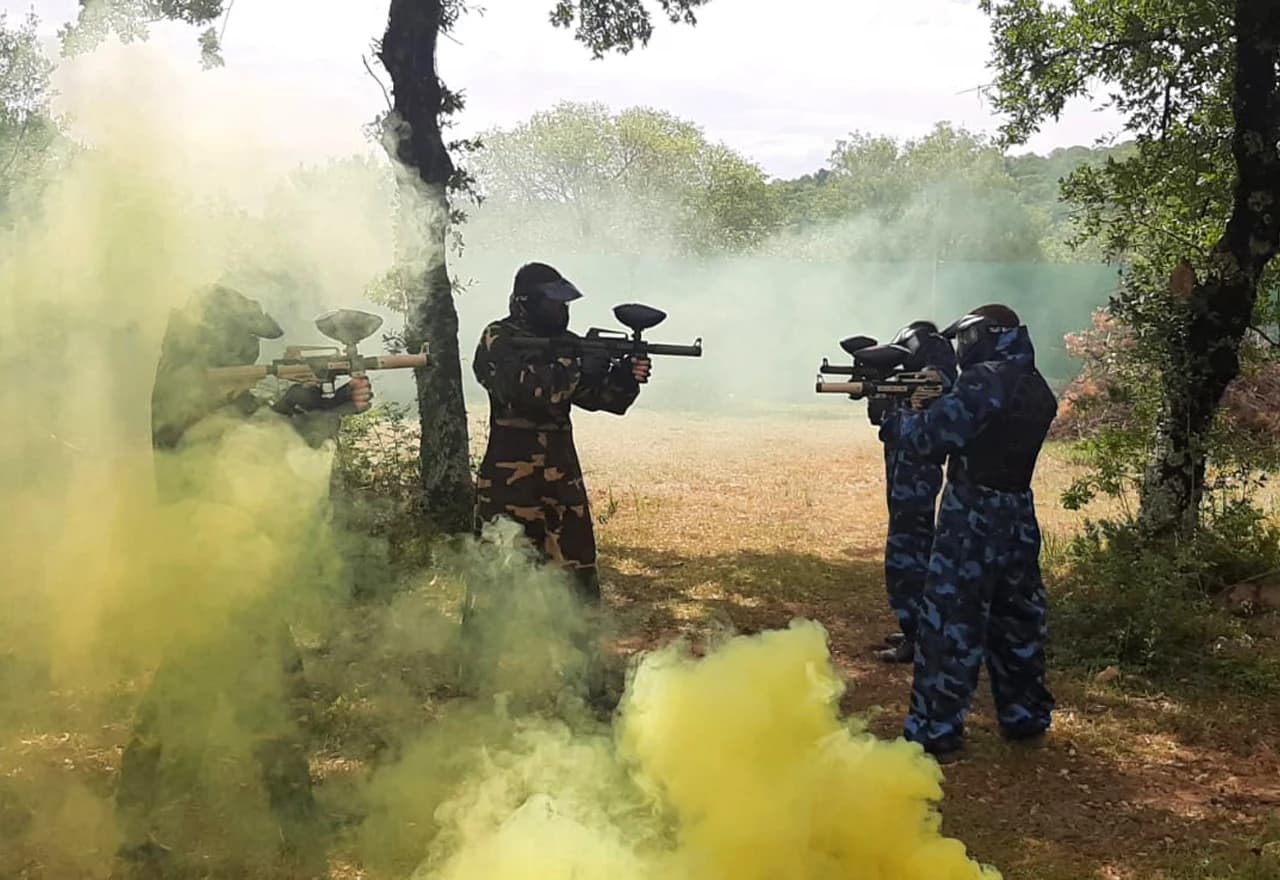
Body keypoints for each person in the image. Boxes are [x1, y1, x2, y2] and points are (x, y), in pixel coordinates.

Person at [117, 284, 371, 874]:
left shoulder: (211, 395)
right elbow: (245, 438)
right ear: (214, 343)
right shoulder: (181, 394)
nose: (249, 361)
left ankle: (297, 824)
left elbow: (269, 431)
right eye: (242, 347)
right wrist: (307, 404)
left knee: (271, 690)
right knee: (189, 700)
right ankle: (131, 838)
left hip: (236, 569)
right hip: (206, 573)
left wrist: (322, 403)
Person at [876, 304, 1057, 759]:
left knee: (949, 626)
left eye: (964, 340)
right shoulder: (1032, 381)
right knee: (1017, 622)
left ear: (982, 337)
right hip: (1018, 510)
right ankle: (1024, 716)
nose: (959, 350)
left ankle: (934, 732)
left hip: (972, 514)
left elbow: (930, 439)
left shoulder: (985, 379)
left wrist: (892, 417)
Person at [471, 262, 651, 604]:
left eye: (565, 304)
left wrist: (625, 376)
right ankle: (487, 655)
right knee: (498, 581)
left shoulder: (567, 345)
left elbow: (604, 400)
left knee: (576, 580)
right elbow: (527, 391)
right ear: (526, 302)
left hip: (561, 481)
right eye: (554, 303)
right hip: (509, 486)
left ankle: (575, 655)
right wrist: (580, 365)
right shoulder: (499, 338)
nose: (562, 310)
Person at [866, 320, 958, 664]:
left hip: (915, 481)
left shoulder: (933, 375)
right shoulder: (918, 380)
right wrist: (881, 402)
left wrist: (901, 403)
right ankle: (916, 629)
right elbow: (891, 424)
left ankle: (920, 637)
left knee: (908, 557)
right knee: (910, 553)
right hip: (906, 478)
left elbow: (930, 395)